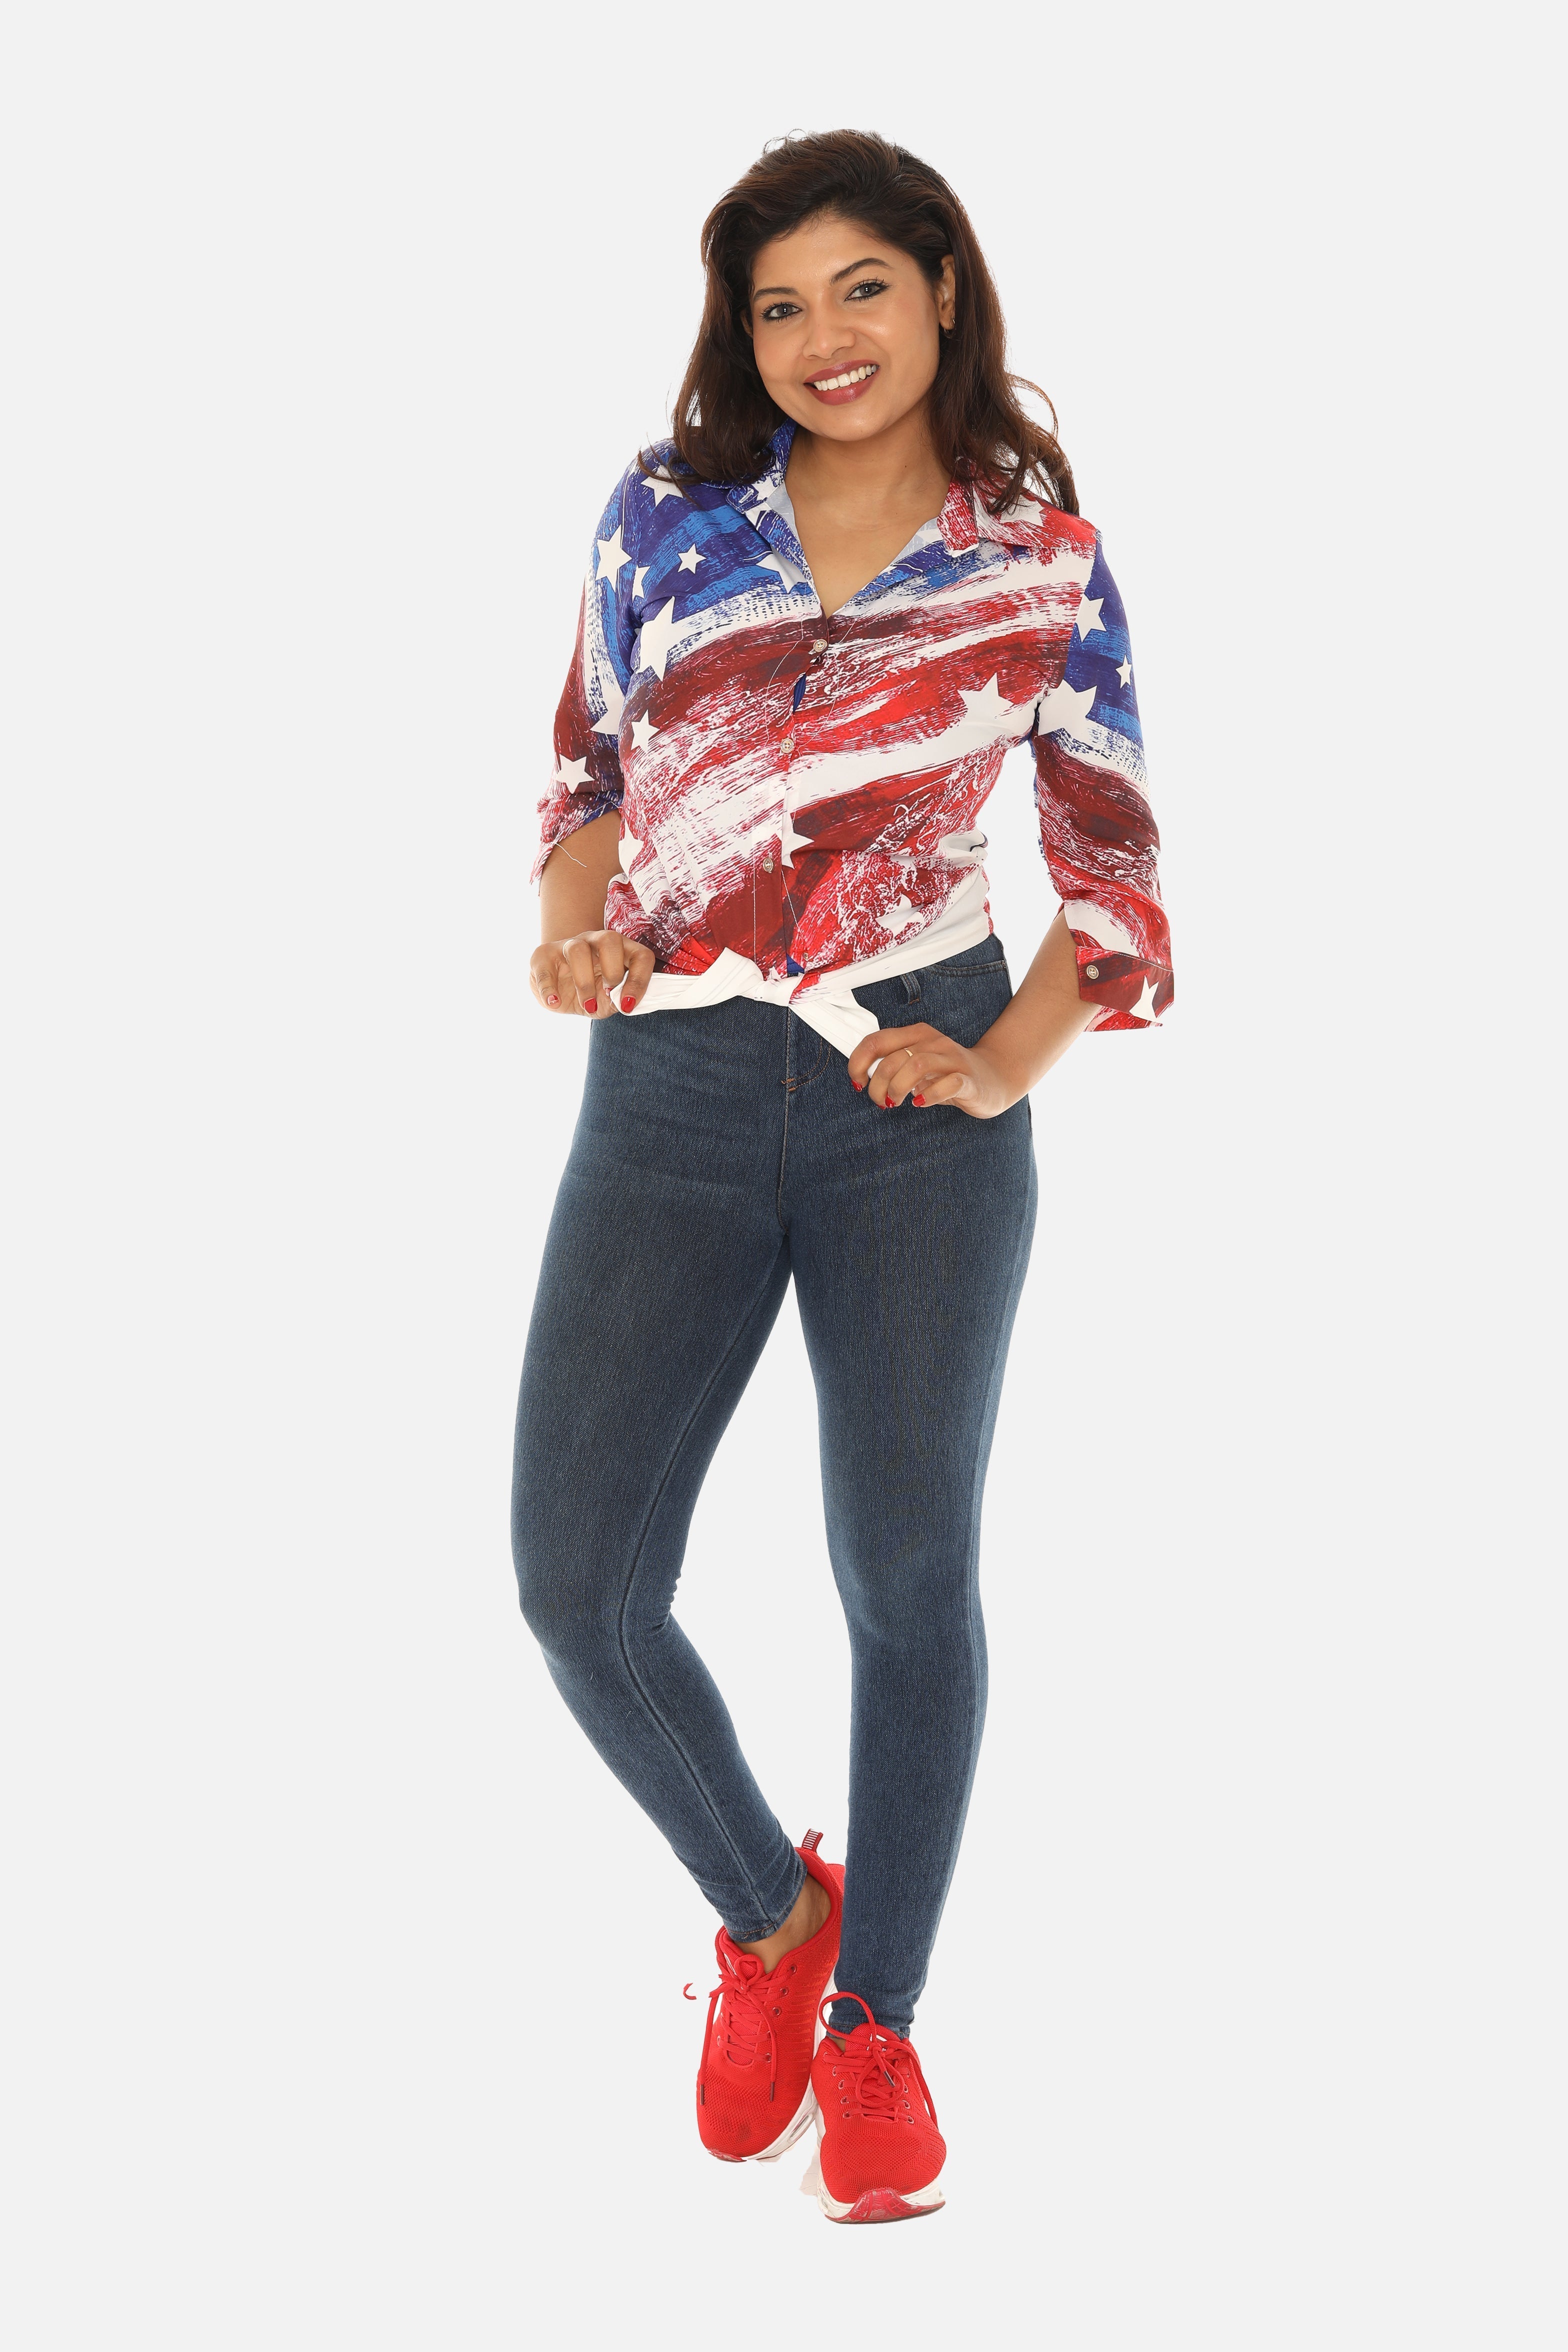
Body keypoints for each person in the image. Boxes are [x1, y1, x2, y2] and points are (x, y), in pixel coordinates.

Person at [512, 128, 1172, 2226]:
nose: (823, 338)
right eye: (779, 305)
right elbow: (587, 769)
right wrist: (580, 932)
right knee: (578, 1583)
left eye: (861, 288)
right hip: (670, 1086)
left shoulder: (1038, 560)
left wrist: (995, 1066)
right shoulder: (667, 513)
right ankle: (771, 1920)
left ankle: (879, 2024)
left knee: (904, 1573)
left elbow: (1112, 870)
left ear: (943, 290)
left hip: (916, 1109)